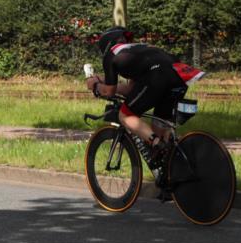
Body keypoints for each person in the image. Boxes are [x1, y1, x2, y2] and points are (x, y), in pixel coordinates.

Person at [85, 26, 204, 170]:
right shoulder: (137, 49)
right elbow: (130, 90)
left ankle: (157, 145)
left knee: (125, 115)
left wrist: (96, 86)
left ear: (106, 44)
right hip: (178, 75)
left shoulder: (111, 54)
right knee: (160, 130)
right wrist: (102, 80)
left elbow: (109, 92)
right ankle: (171, 178)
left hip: (157, 77)